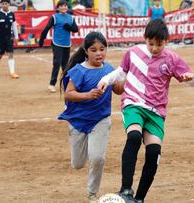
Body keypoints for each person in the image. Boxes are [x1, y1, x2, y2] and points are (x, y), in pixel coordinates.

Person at [97, 19, 194, 203]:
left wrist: (190, 78)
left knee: (153, 153)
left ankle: (139, 199)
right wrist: (106, 79)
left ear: (166, 41)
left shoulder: (172, 59)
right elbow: (121, 72)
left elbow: (193, 80)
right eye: (150, 43)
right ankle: (125, 190)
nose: (154, 48)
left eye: (159, 44)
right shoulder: (133, 52)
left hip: (156, 112)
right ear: (145, 39)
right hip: (133, 103)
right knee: (134, 137)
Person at [58, 31, 124, 202]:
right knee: (78, 164)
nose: (99, 53)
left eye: (102, 49)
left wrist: (125, 78)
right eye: (94, 50)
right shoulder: (78, 71)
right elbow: (68, 94)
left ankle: (92, 194)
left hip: (100, 120)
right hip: (78, 121)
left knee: (97, 158)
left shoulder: (109, 69)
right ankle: (86, 148)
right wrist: (87, 95)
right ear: (86, 51)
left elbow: (118, 90)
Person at [39, 0, 78, 93]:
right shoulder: (54, 17)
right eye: (62, 6)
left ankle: (65, 84)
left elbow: (76, 29)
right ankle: (52, 84)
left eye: (65, 6)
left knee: (65, 65)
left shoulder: (71, 18)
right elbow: (47, 28)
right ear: (58, 8)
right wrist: (42, 39)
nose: (64, 7)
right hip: (57, 43)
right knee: (57, 63)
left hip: (66, 44)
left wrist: (70, 28)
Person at [0, 0, 19, 79]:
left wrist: (16, 36)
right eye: (2, 4)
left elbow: (14, 26)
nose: (4, 5)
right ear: (1, 5)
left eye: (6, 4)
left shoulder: (12, 14)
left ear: (8, 4)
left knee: (11, 54)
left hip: (9, 37)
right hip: (0, 38)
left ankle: (12, 72)